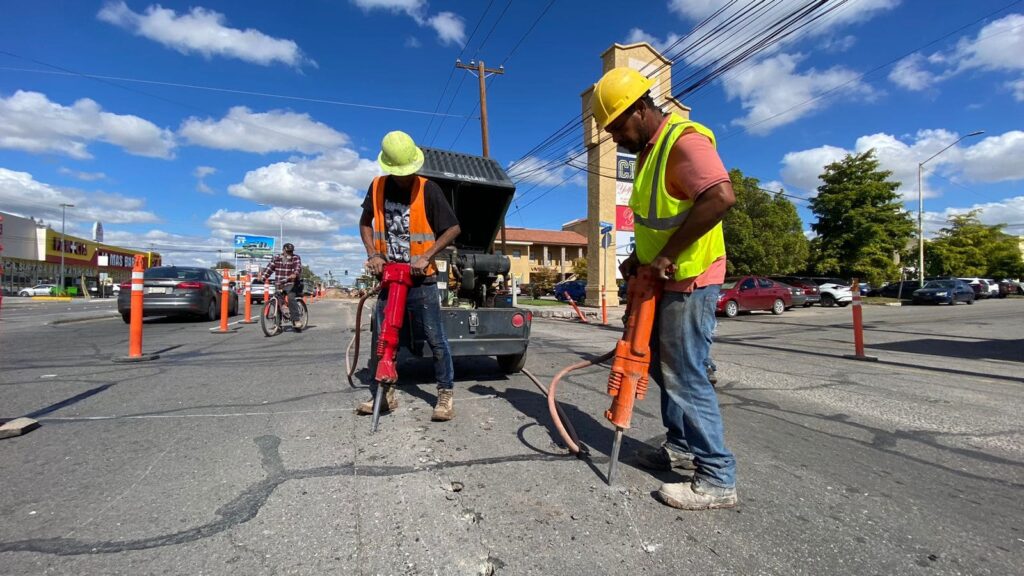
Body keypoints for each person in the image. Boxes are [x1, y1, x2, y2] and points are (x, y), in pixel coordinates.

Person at [593, 67, 737, 510]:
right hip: (663, 278)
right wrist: (640, 258)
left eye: (618, 127)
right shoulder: (648, 153)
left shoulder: (683, 141)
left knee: (685, 373)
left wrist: (668, 255)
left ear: (641, 109)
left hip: (691, 278)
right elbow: (660, 217)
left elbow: (720, 197)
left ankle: (717, 477)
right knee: (660, 365)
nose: (616, 138)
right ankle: (679, 446)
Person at [356, 131, 462, 422]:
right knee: (383, 338)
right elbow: (365, 222)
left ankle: (445, 393)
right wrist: (372, 254)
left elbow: (452, 228)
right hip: (389, 278)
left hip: (422, 280)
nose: (405, 177)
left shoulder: (429, 189)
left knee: (435, 338)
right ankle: (385, 394)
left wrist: (427, 255)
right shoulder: (377, 187)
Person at [260, 242, 304, 332]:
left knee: (291, 298)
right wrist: (263, 278)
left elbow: (298, 267)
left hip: (291, 283)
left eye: (291, 252)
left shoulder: (295, 258)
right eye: (288, 252)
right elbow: (269, 269)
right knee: (279, 301)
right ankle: (278, 324)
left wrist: (295, 274)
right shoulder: (276, 258)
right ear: (283, 250)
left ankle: (296, 320)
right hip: (279, 283)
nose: (289, 254)